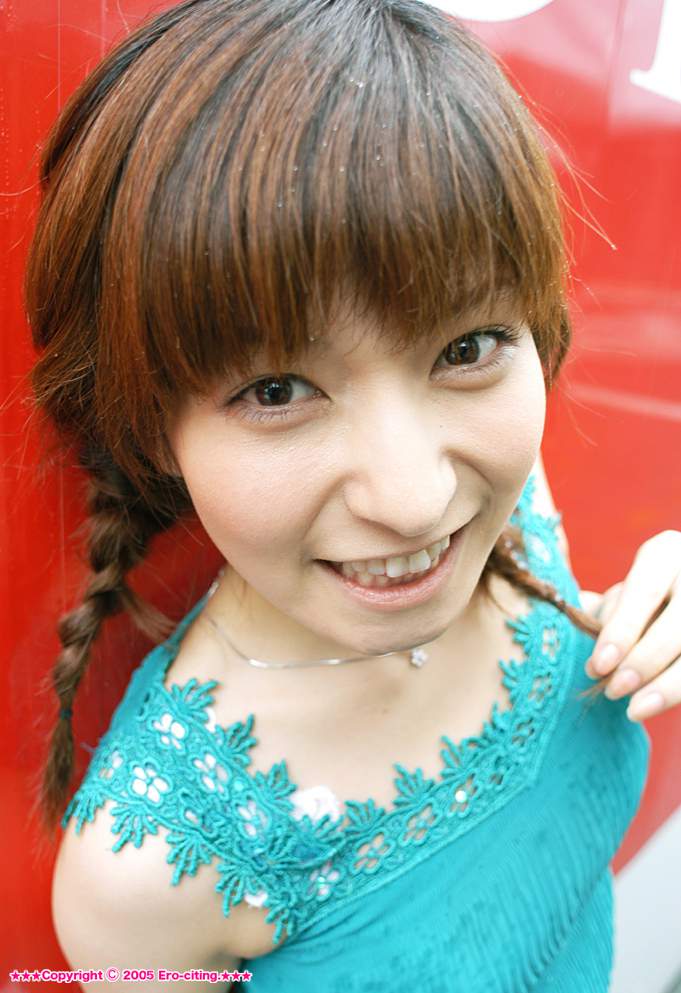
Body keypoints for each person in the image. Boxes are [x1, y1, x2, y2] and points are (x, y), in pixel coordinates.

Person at [23, 0, 681, 989]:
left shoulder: (508, 498)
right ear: (153, 425)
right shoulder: (146, 876)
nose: (416, 500)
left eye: (465, 348)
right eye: (277, 391)